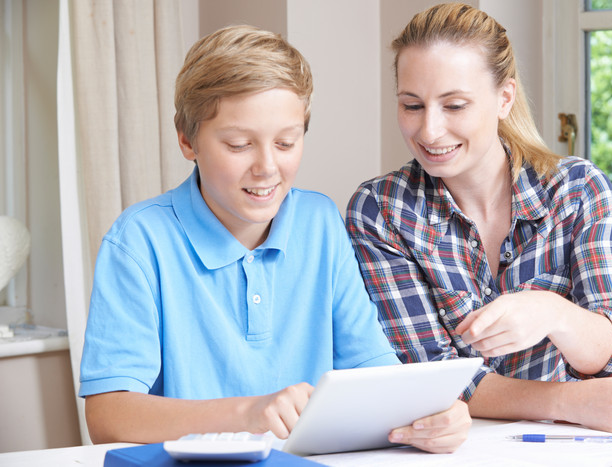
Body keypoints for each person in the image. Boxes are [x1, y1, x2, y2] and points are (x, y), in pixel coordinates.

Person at [79, 24, 470, 453]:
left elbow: (371, 370)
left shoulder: (318, 222)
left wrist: (434, 413)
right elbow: (108, 415)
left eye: (286, 142)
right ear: (187, 140)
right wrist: (248, 414)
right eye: (239, 144)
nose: (267, 167)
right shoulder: (138, 242)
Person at [346, 2, 612, 434]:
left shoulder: (578, 191)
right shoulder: (381, 210)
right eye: (412, 105)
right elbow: (430, 377)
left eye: (454, 106)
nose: (429, 131)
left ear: (504, 98)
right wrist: (569, 401)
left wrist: (551, 312)